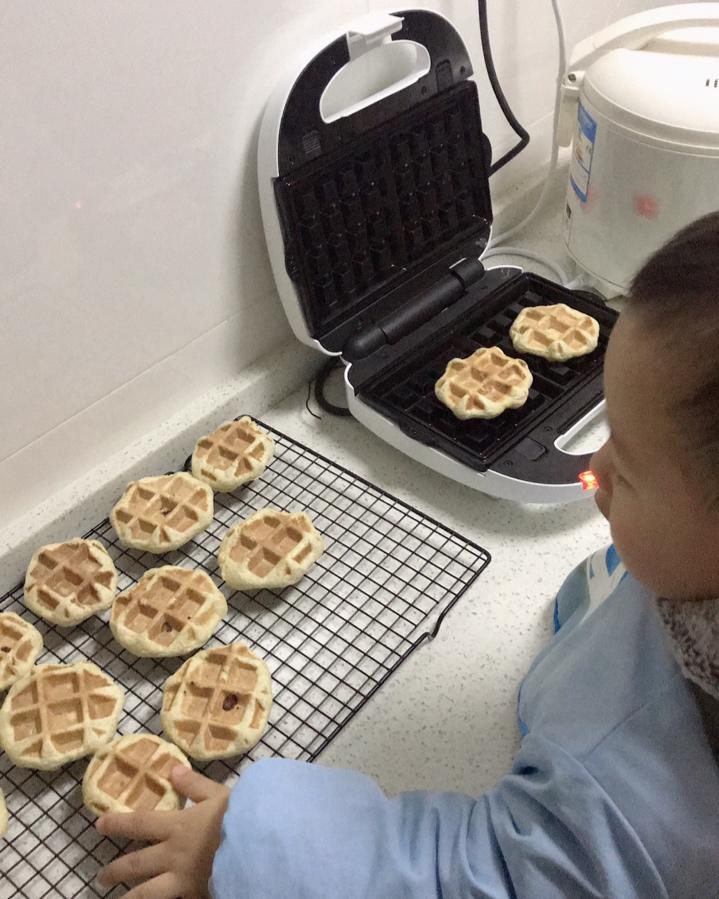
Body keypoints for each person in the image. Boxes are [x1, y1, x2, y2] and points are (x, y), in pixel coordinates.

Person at [94, 213, 719, 898]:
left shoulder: (647, 803)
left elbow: (479, 878)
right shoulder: (688, 573)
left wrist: (243, 848)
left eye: (624, 469)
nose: (592, 469)